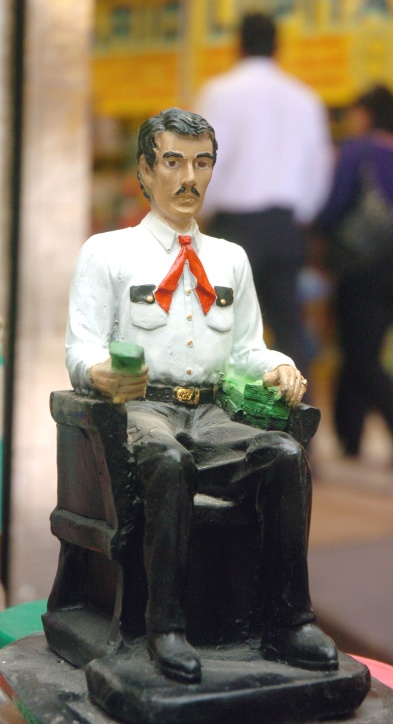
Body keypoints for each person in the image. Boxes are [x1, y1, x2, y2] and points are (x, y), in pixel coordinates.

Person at [65, 107, 337, 685]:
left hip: (212, 413)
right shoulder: (107, 253)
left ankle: (289, 621)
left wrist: (280, 365)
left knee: (284, 456)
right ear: (145, 171)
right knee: (167, 461)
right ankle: (163, 627)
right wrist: (101, 374)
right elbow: (80, 348)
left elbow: (247, 349)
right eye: (173, 162)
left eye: (202, 163)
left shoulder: (230, 259)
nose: (189, 178)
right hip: (144, 410)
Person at [193, 12, 334, 377]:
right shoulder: (305, 98)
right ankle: (298, 411)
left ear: (238, 46)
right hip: (285, 227)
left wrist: (199, 211)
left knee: (219, 326)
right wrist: (299, 217)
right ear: (277, 48)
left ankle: (217, 412)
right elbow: (319, 169)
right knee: (288, 328)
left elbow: (206, 160)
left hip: (233, 227)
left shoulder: (219, 92)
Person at [315, 86, 393, 468]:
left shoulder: (357, 152)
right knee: (361, 346)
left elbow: (334, 206)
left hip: (365, 265)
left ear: (366, 114)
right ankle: (350, 439)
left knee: (361, 352)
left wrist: (317, 238)